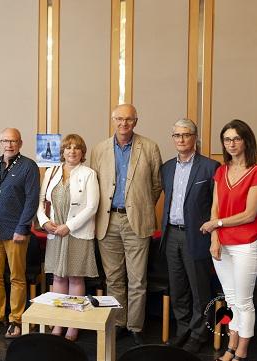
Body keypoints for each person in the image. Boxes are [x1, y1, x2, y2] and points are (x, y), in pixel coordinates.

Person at [90, 104, 162, 345]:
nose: (124, 124)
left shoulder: (150, 147)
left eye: (129, 119)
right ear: (112, 120)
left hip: (137, 222)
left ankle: (135, 326)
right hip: (107, 221)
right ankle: (119, 322)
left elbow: (155, 185)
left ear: (136, 121)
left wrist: (138, 206)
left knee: (138, 279)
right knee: (113, 278)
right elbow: (94, 184)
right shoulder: (99, 149)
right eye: (119, 119)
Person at [200, 119, 257, 361]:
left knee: (244, 301)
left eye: (236, 138)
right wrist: (215, 238)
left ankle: (241, 351)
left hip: (245, 245)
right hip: (222, 245)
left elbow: (249, 214)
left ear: (246, 141)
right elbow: (215, 209)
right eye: (227, 139)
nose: (231, 144)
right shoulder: (221, 171)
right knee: (229, 299)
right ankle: (231, 346)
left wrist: (216, 225)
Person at [160, 119, 220, 353]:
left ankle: (199, 333)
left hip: (197, 236)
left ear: (195, 137)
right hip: (171, 234)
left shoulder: (210, 167)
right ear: (173, 138)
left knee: (199, 289)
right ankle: (183, 329)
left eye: (186, 135)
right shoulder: (166, 167)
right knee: (178, 288)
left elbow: (217, 205)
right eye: (177, 135)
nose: (181, 139)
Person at [36, 133, 99, 341]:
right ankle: (58, 323)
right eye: (68, 147)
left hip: (76, 232)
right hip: (55, 232)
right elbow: (40, 201)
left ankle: (73, 325)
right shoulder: (51, 171)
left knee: (75, 276)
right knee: (58, 277)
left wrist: (68, 226)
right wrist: (45, 222)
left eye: (76, 148)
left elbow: (92, 206)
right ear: (62, 151)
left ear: (82, 153)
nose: (72, 151)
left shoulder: (89, 173)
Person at [0, 128, 40, 338]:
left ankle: (16, 319)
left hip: (16, 231)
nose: (9, 145)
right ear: (0, 142)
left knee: (16, 277)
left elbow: (32, 200)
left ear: (20, 143)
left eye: (13, 141)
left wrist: (23, 228)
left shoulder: (29, 166)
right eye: (5, 140)